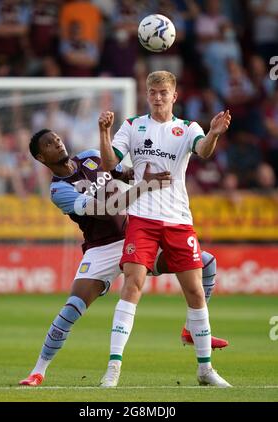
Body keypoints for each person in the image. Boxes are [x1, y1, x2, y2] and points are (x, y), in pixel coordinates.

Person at [19, 129, 227, 386]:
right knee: (72, 308)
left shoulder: (91, 157)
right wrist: (143, 185)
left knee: (206, 263)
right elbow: (105, 211)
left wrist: (143, 172)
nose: (57, 143)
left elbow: (125, 172)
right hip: (100, 248)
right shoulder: (59, 190)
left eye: (57, 138)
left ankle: (191, 331)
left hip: (135, 236)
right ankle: (38, 371)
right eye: (49, 144)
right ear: (41, 157)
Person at [99, 70, 232, 388]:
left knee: (196, 291)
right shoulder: (132, 126)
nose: (158, 97)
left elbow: (203, 151)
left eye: (164, 92)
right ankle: (113, 369)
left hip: (178, 220)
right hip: (142, 218)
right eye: (153, 92)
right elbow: (110, 164)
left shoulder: (188, 128)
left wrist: (213, 133)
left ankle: (205, 370)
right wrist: (104, 133)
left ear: (175, 96)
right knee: (133, 285)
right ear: (147, 95)